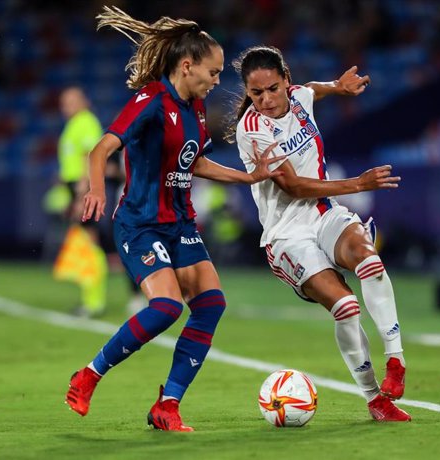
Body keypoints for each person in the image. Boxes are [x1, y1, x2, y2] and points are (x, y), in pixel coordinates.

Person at [64, 7, 283, 432]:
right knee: (165, 307)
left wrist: (247, 176)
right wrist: (95, 188)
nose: (218, 81)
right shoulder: (151, 100)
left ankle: (167, 405)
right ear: (188, 66)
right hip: (141, 223)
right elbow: (100, 150)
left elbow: (193, 161)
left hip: (181, 224)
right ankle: (89, 374)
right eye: (214, 72)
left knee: (210, 305)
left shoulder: (195, 107)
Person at [230, 46, 411, 422]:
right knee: (346, 307)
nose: (265, 100)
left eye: (272, 89)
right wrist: (358, 184)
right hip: (286, 236)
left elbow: (311, 89)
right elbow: (294, 187)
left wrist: (338, 87)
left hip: (324, 213)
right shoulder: (252, 129)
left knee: (369, 261)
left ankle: (396, 360)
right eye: (256, 93)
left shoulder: (298, 97)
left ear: (286, 81)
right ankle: (375, 399)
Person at [54, 86, 108, 318]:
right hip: (75, 187)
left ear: (84, 101)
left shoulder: (86, 122)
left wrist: (81, 194)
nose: (66, 106)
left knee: (90, 242)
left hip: (82, 188)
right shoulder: (74, 124)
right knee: (85, 242)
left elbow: (89, 157)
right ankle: (90, 298)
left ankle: (94, 301)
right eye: (64, 102)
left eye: (72, 101)